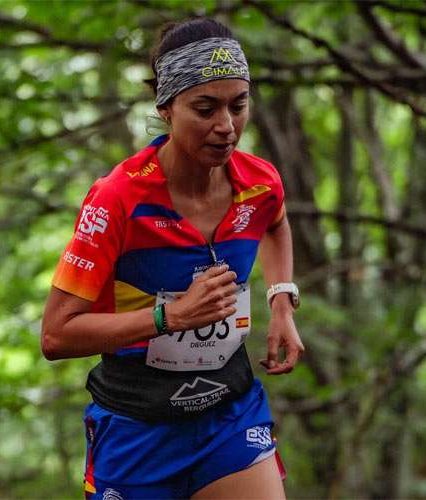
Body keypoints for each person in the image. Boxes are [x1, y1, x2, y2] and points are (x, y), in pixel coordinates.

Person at [42, 17, 305, 500]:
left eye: (238, 105)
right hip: (136, 426)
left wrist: (282, 302)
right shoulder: (117, 199)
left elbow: (276, 223)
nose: (226, 127)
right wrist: (170, 317)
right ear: (165, 108)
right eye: (205, 109)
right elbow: (57, 336)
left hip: (230, 413)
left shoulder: (259, 182)